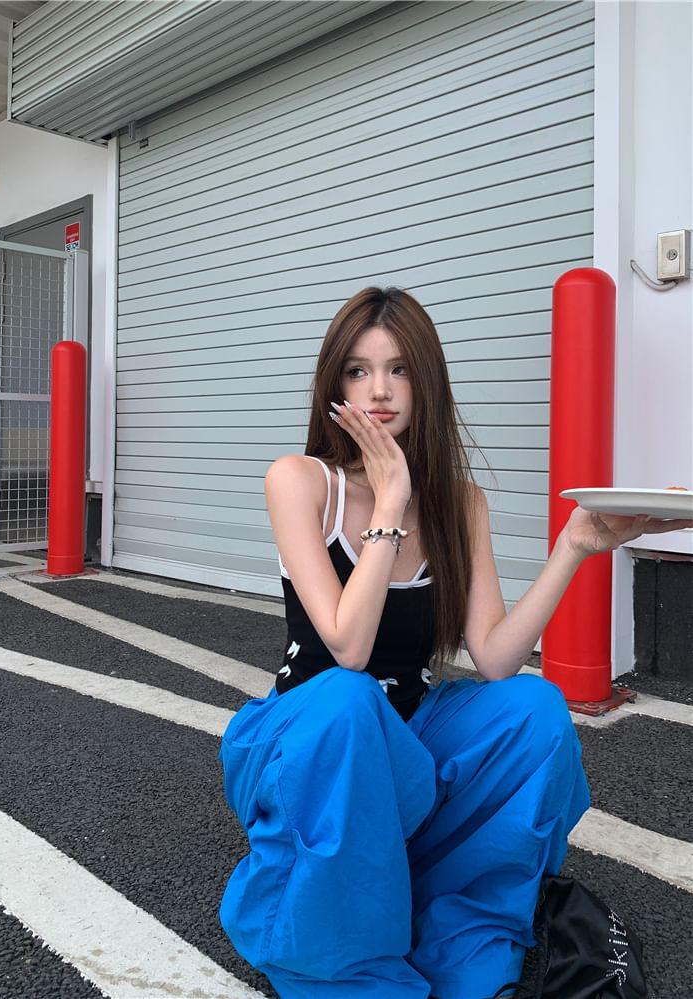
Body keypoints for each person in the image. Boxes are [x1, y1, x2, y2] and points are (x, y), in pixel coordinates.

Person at [218, 287, 692, 999]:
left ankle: (462, 931)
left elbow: (495, 658)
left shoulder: (460, 502)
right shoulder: (300, 481)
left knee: (533, 708)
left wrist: (574, 547)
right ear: (334, 384)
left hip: (406, 738)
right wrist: (389, 502)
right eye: (357, 370)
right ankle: (347, 965)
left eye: (399, 369)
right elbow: (347, 647)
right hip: (306, 745)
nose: (379, 391)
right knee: (348, 699)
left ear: (427, 383)